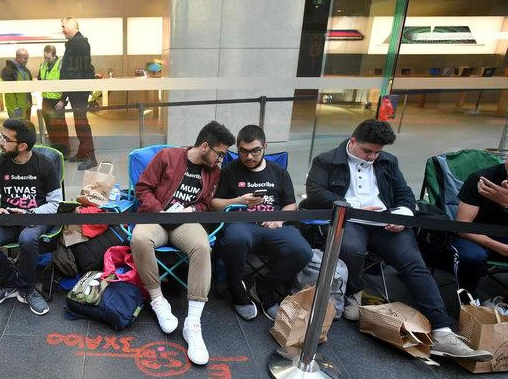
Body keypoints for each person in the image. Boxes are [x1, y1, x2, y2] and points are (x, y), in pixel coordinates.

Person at [305, 119, 492, 361]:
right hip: (350, 218)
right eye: (367, 151)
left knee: (413, 263)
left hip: (386, 221)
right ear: (353, 142)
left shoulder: (388, 161)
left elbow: (405, 194)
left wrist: (402, 215)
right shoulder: (326, 160)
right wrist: (354, 206)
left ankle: (443, 331)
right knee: (351, 247)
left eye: (377, 152)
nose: (372, 157)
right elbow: (316, 193)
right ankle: (355, 292)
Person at [131, 121, 234, 365]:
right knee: (140, 238)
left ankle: (193, 323)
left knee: (202, 246)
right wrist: (159, 211)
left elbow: (206, 203)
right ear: (205, 146)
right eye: (219, 154)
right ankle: (158, 301)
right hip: (156, 217)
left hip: (184, 223)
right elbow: (143, 189)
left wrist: (192, 210)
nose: (220, 160)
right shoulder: (167, 157)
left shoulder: (213, 172)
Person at [211, 125, 312, 321]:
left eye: (255, 151)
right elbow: (214, 204)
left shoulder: (279, 172)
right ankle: (237, 290)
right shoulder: (229, 171)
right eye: (243, 151)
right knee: (236, 238)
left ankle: (264, 288)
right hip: (241, 225)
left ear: (265, 147)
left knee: (303, 250)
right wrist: (239, 201)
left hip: (274, 226)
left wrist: (279, 218)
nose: (249, 156)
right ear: (238, 149)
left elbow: (291, 204)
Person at [0, 119, 61, 317]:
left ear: (22, 146)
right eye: (1, 136)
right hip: (8, 218)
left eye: (5, 139)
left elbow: (55, 203)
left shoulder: (44, 164)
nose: (0, 142)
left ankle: (26, 289)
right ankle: (8, 284)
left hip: (35, 217)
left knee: (28, 239)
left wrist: (31, 213)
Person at [454, 158, 508, 302]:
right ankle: (469, 300)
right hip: (475, 235)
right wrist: (503, 248)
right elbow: (463, 228)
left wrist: (506, 203)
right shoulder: (481, 180)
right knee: (472, 256)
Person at [57, 16, 97, 171]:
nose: (62, 30)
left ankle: (91, 157)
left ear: (71, 26)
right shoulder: (75, 43)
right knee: (79, 122)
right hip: (76, 90)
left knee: (82, 123)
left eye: (63, 26)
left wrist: (63, 96)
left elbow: (78, 71)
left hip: (78, 90)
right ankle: (82, 153)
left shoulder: (79, 43)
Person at [38, 44, 69, 157]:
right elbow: (40, 78)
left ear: (54, 55)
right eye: (45, 57)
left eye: (48, 58)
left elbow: (67, 85)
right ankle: (55, 151)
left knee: (60, 128)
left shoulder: (61, 65)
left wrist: (63, 101)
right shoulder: (42, 65)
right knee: (50, 127)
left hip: (57, 101)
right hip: (46, 100)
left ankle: (64, 152)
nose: (46, 60)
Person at [1, 48, 32, 121]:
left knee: (26, 126)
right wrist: (15, 107)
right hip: (16, 108)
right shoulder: (8, 70)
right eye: (25, 58)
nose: (27, 60)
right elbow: (9, 91)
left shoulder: (24, 69)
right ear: (18, 57)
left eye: (27, 58)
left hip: (26, 106)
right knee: (17, 127)